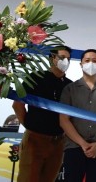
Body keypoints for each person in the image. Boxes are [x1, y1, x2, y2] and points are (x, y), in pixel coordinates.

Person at [13, 46, 72, 182]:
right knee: (28, 178)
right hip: (35, 140)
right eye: (62, 58)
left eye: (68, 59)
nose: (66, 62)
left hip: (58, 142)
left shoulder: (69, 86)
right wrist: (30, 126)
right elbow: (17, 105)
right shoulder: (35, 78)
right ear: (52, 58)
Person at [59, 49, 96, 182]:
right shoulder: (70, 89)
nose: (91, 64)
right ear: (81, 64)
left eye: (95, 61)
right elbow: (64, 120)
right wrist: (83, 144)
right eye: (87, 60)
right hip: (74, 147)